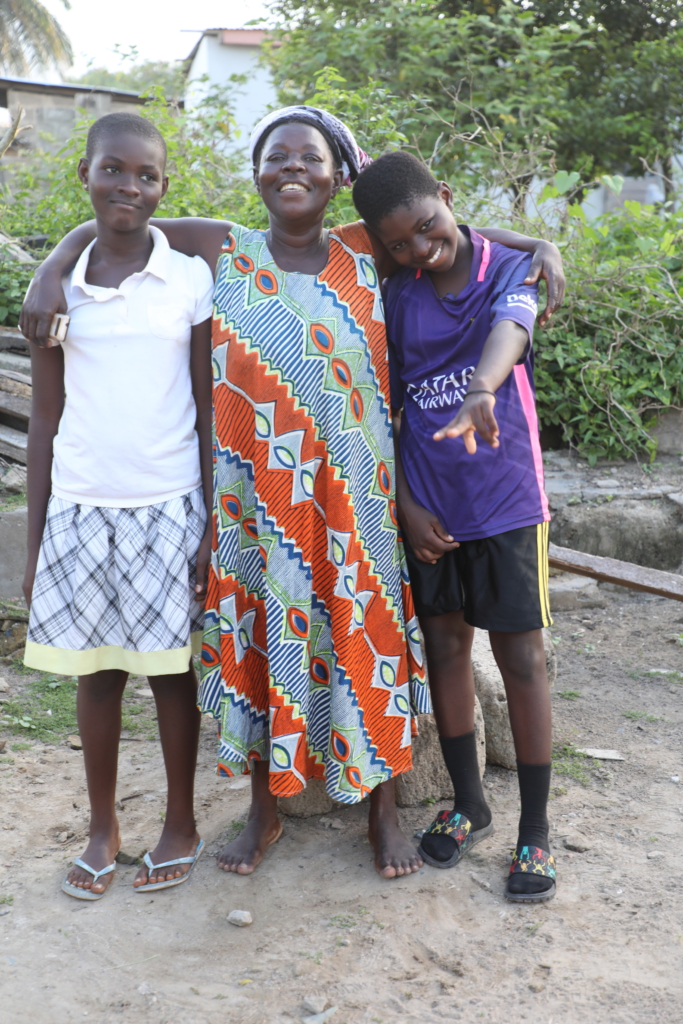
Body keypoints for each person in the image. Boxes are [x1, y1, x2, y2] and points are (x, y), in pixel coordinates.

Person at [21, 106, 564, 881]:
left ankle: (380, 812)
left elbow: (445, 230)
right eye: (276, 157)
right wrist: (54, 262)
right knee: (260, 649)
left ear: (338, 177)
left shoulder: (367, 251)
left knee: (362, 643)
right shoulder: (222, 250)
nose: (292, 169)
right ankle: (264, 811)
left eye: (309, 158)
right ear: (256, 173)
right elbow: (122, 218)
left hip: (358, 505)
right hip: (257, 508)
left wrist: (533, 245)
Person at [352, 150, 557, 902]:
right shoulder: (397, 293)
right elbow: (388, 405)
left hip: (504, 501)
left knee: (522, 659)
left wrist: (481, 388)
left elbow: (511, 325)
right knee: (444, 644)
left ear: (447, 197)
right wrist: (405, 505)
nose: (418, 250)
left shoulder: (507, 268)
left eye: (429, 229)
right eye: (398, 244)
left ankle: (534, 830)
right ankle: (469, 803)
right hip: (429, 507)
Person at [22, 112, 214, 899]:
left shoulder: (189, 278)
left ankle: (180, 820)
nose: (127, 186)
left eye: (145, 175)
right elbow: (43, 417)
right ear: (86, 175)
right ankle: (102, 826)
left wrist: (209, 521)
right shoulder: (59, 291)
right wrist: (35, 545)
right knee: (96, 676)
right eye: (112, 171)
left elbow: (205, 408)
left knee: (171, 675)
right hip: (79, 506)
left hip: (167, 504)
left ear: (163, 187)